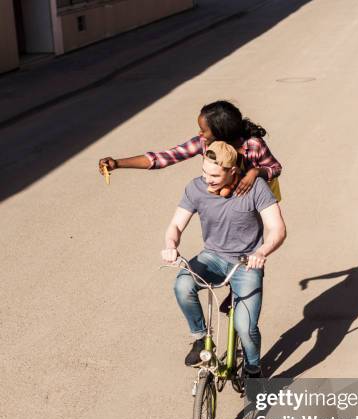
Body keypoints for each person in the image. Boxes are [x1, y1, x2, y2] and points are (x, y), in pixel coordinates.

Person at [161, 141, 286, 376]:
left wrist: (261, 252)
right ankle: (199, 339)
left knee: (245, 328)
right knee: (182, 284)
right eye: (204, 172)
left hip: (246, 263)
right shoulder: (195, 189)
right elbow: (176, 224)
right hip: (212, 257)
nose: (207, 179)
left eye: (215, 175)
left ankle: (253, 368)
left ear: (232, 171)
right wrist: (170, 245)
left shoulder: (256, 188)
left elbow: (278, 229)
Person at [98, 100, 282, 197]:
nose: (199, 133)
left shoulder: (253, 145)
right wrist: (117, 163)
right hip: (226, 197)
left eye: (203, 130)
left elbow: (275, 168)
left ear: (221, 132)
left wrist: (255, 172)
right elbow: (164, 158)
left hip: (258, 197)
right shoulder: (203, 143)